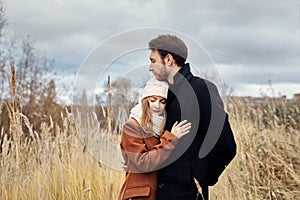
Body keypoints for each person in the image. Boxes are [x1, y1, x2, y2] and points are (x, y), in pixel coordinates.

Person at [147, 34, 237, 200]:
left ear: (168, 59)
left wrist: (200, 175)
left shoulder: (202, 89)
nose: (150, 68)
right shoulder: (162, 95)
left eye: (153, 61)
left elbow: (226, 146)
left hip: (187, 194)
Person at [118, 78, 192, 200]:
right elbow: (143, 163)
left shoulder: (162, 126)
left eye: (162, 101)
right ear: (145, 100)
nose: (157, 105)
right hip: (139, 196)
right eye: (153, 100)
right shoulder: (132, 126)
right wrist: (171, 139)